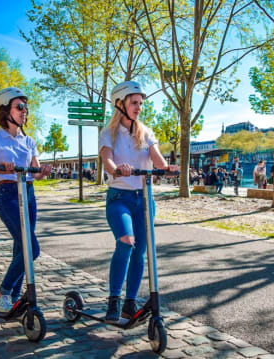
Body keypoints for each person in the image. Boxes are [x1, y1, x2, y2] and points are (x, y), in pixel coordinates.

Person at [99, 81, 179, 323]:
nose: (138, 107)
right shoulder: (108, 133)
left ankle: (129, 304)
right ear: (120, 104)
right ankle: (114, 300)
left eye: (141, 103)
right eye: (134, 103)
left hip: (144, 198)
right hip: (119, 198)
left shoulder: (145, 132)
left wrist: (165, 167)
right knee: (126, 241)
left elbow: (156, 157)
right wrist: (118, 170)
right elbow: (107, 162)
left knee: (141, 251)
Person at [0, 87, 52, 313]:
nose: (24, 111)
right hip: (7, 194)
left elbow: (35, 172)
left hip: (28, 194)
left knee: (21, 248)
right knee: (32, 249)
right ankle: (3, 293)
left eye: (26, 107)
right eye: (19, 107)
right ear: (4, 109)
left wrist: (43, 171)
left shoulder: (28, 141)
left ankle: (15, 299)